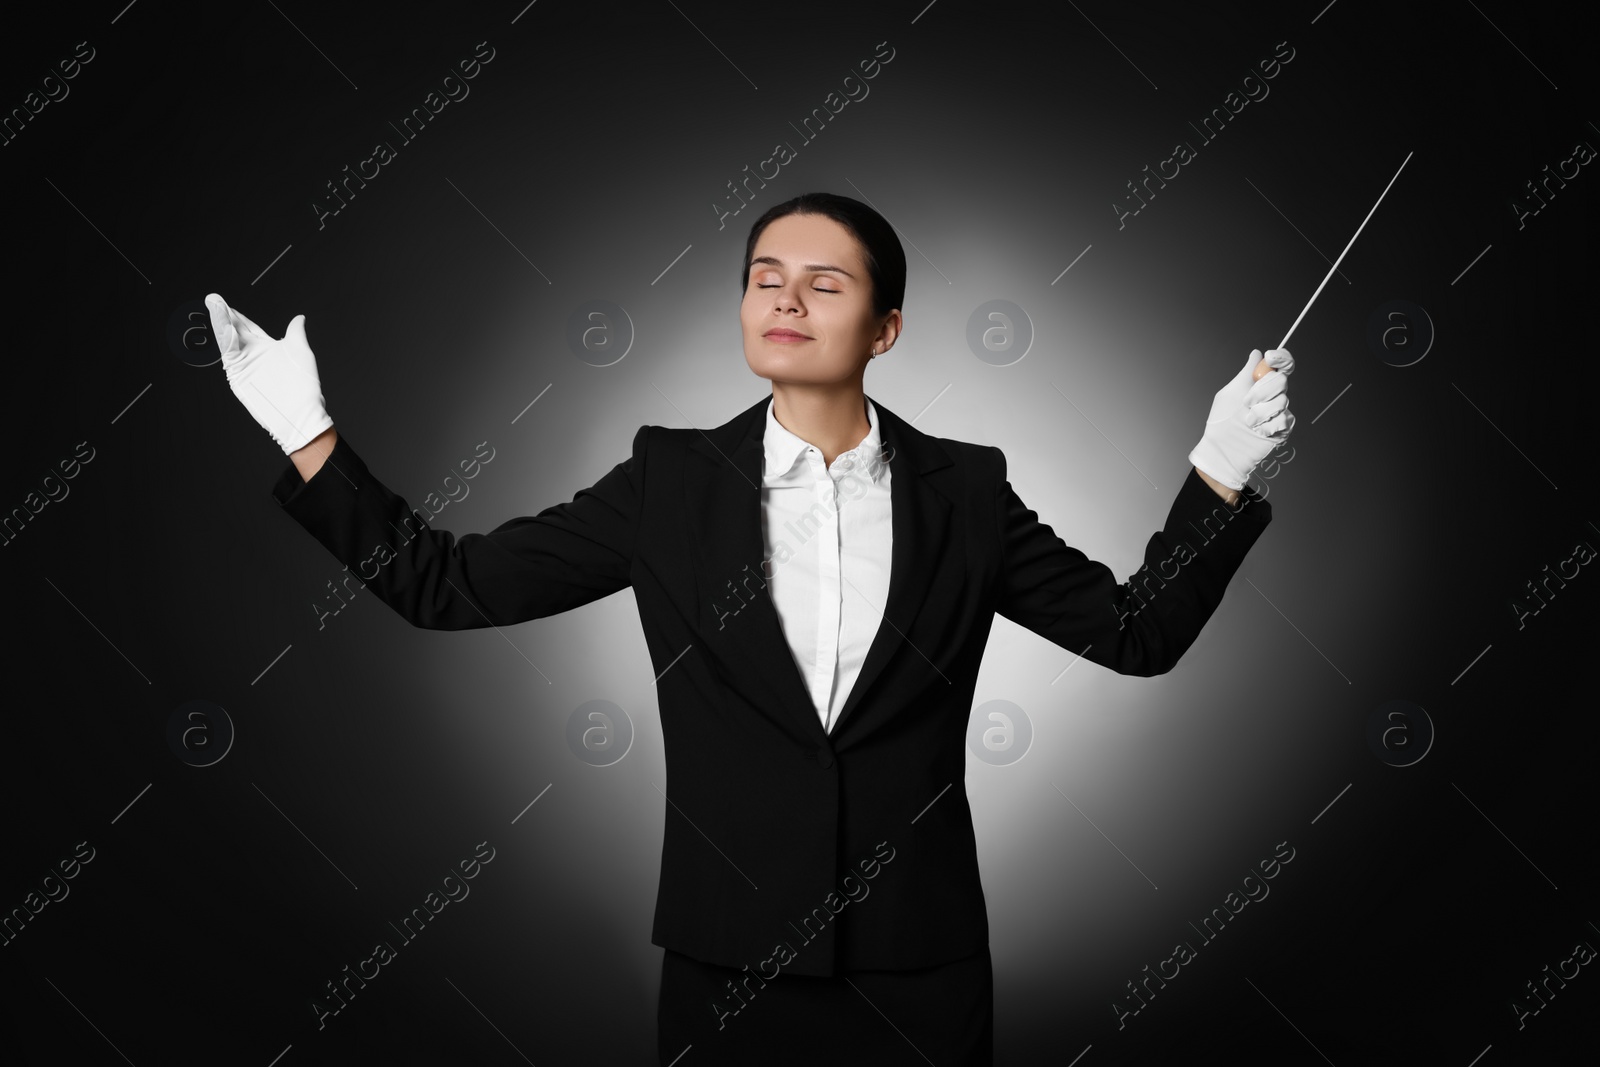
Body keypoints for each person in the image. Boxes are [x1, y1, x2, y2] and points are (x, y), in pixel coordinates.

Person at [209, 191, 1293, 1065]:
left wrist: (1219, 469)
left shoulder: (965, 490)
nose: (786, 298)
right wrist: (306, 432)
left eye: (824, 283)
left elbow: (1132, 631)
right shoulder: (668, 481)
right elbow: (442, 585)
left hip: (921, 969)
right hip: (729, 971)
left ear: (885, 327)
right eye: (765, 279)